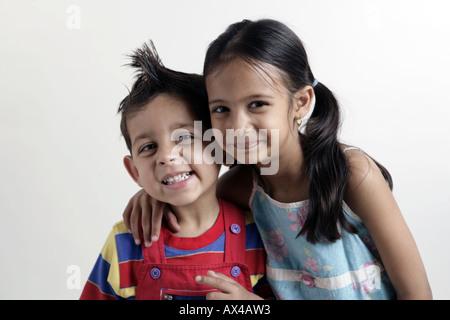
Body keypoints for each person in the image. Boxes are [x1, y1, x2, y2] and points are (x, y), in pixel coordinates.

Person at [123, 19, 432, 300]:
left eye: (257, 104)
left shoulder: (352, 174)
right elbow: (191, 192)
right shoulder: (242, 188)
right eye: (221, 109)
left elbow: (418, 296)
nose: (237, 126)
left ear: (301, 102)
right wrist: (152, 195)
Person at [80, 41, 269, 300]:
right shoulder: (124, 242)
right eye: (148, 147)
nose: (167, 157)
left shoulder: (260, 234)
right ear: (134, 171)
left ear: (221, 147)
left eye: (184, 137)